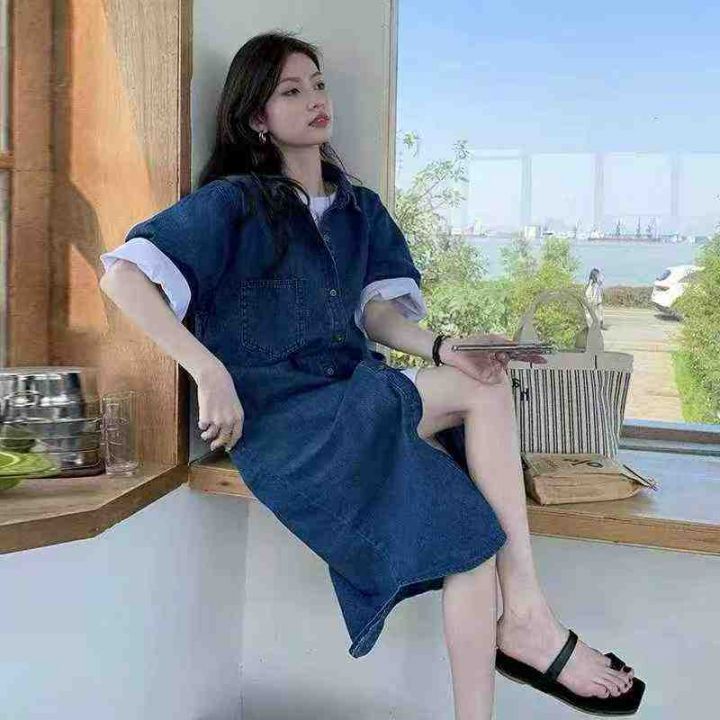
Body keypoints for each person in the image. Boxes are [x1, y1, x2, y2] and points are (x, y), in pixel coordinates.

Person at [99, 31, 641, 720]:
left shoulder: (361, 209)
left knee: (471, 534)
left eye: (319, 84)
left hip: (355, 399)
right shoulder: (233, 203)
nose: (315, 99)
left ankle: (500, 671)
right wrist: (208, 370)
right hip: (286, 425)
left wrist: (441, 346)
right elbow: (122, 277)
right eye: (291, 90)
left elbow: (376, 312)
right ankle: (530, 617)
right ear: (258, 116)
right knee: (482, 387)